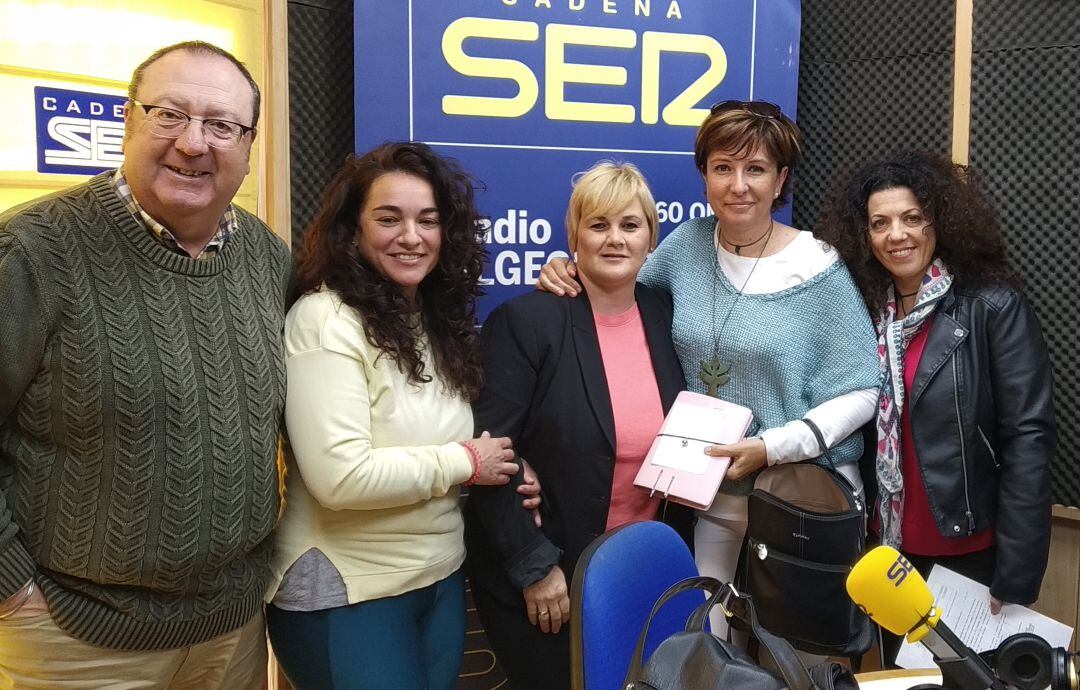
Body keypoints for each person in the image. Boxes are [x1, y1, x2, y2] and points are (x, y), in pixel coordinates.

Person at [0, 41, 289, 688]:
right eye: (169, 114)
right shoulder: (32, 252)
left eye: (221, 125)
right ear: (128, 121)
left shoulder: (269, 260)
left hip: (233, 631)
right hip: (76, 638)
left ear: (249, 147)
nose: (194, 142)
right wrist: (11, 590)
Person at [537, 101, 880, 634]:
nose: (738, 184)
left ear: (781, 179)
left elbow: (862, 388)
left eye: (756, 169)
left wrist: (773, 446)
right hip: (708, 498)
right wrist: (569, 268)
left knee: (799, 653)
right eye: (723, 167)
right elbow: (620, 293)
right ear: (705, 174)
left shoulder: (818, 267)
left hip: (794, 497)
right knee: (702, 641)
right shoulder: (687, 246)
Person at [265, 142, 522, 690]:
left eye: (428, 220)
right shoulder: (324, 319)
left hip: (439, 575)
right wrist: (463, 462)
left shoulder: (429, 321)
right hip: (348, 589)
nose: (411, 236)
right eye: (389, 218)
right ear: (351, 229)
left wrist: (498, 463)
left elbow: (442, 439)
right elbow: (341, 477)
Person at [815, 149, 1055, 659]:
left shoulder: (992, 306)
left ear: (938, 222)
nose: (896, 234)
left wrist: (1018, 569)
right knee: (899, 680)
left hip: (968, 552)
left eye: (912, 218)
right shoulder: (860, 309)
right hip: (887, 549)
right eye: (880, 223)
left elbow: (1028, 438)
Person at [464, 161, 694, 690]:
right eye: (598, 225)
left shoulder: (666, 315)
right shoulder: (527, 322)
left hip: (641, 572)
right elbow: (488, 455)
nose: (615, 239)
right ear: (574, 237)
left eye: (630, 226)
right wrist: (534, 568)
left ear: (651, 238)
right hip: (553, 581)